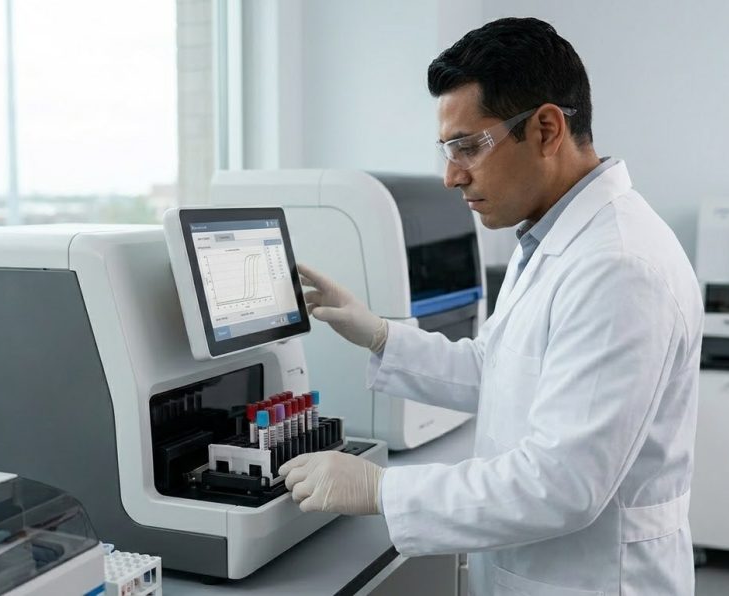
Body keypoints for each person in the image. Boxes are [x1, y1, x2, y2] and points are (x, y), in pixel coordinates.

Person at [279, 17, 703, 595]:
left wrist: (382, 489)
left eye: (468, 146)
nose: (452, 177)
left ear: (547, 128)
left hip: (594, 579)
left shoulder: (619, 267)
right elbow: (502, 371)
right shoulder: (552, 241)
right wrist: (381, 335)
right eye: (447, 149)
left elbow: (561, 485)